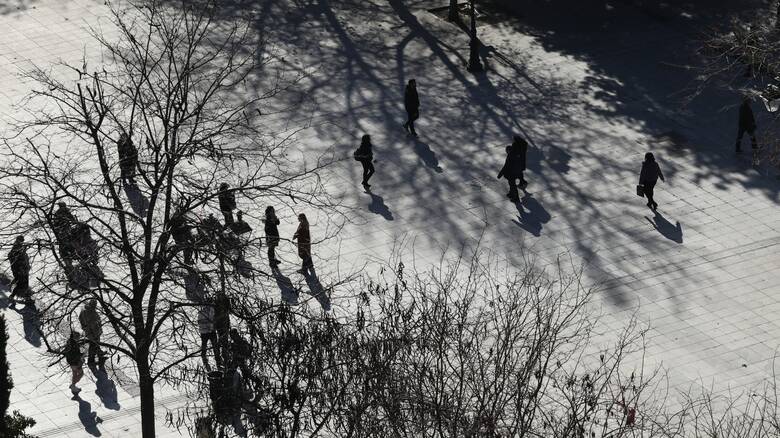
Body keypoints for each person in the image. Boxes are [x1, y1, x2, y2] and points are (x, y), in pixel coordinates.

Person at [497, 136, 528, 202]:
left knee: (512, 184)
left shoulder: (511, 154)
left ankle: (516, 198)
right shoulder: (521, 151)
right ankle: (511, 193)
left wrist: (500, 174)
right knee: (514, 182)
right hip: (519, 169)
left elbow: (506, 165)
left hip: (512, 172)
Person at [79, 299, 106, 365]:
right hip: (91, 332)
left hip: (95, 331)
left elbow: (97, 321)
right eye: (94, 305)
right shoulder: (86, 311)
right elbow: (89, 322)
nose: (95, 306)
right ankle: (94, 359)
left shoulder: (91, 311)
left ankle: (99, 356)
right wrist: (85, 327)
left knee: (94, 345)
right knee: (94, 345)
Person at [198, 302, 221, 370]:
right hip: (205, 332)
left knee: (214, 346)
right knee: (205, 346)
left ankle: (217, 360)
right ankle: (205, 360)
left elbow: (214, 320)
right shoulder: (202, 311)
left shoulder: (210, 310)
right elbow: (199, 322)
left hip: (210, 331)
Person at [7, 235, 30, 302]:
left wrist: (27, 266)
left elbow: (25, 259)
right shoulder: (15, 249)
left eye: (22, 241)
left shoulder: (21, 248)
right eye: (20, 240)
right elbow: (14, 260)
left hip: (24, 269)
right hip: (19, 270)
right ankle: (12, 296)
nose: (21, 242)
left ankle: (27, 297)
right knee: (20, 283)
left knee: (25, 283)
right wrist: (19, 269)